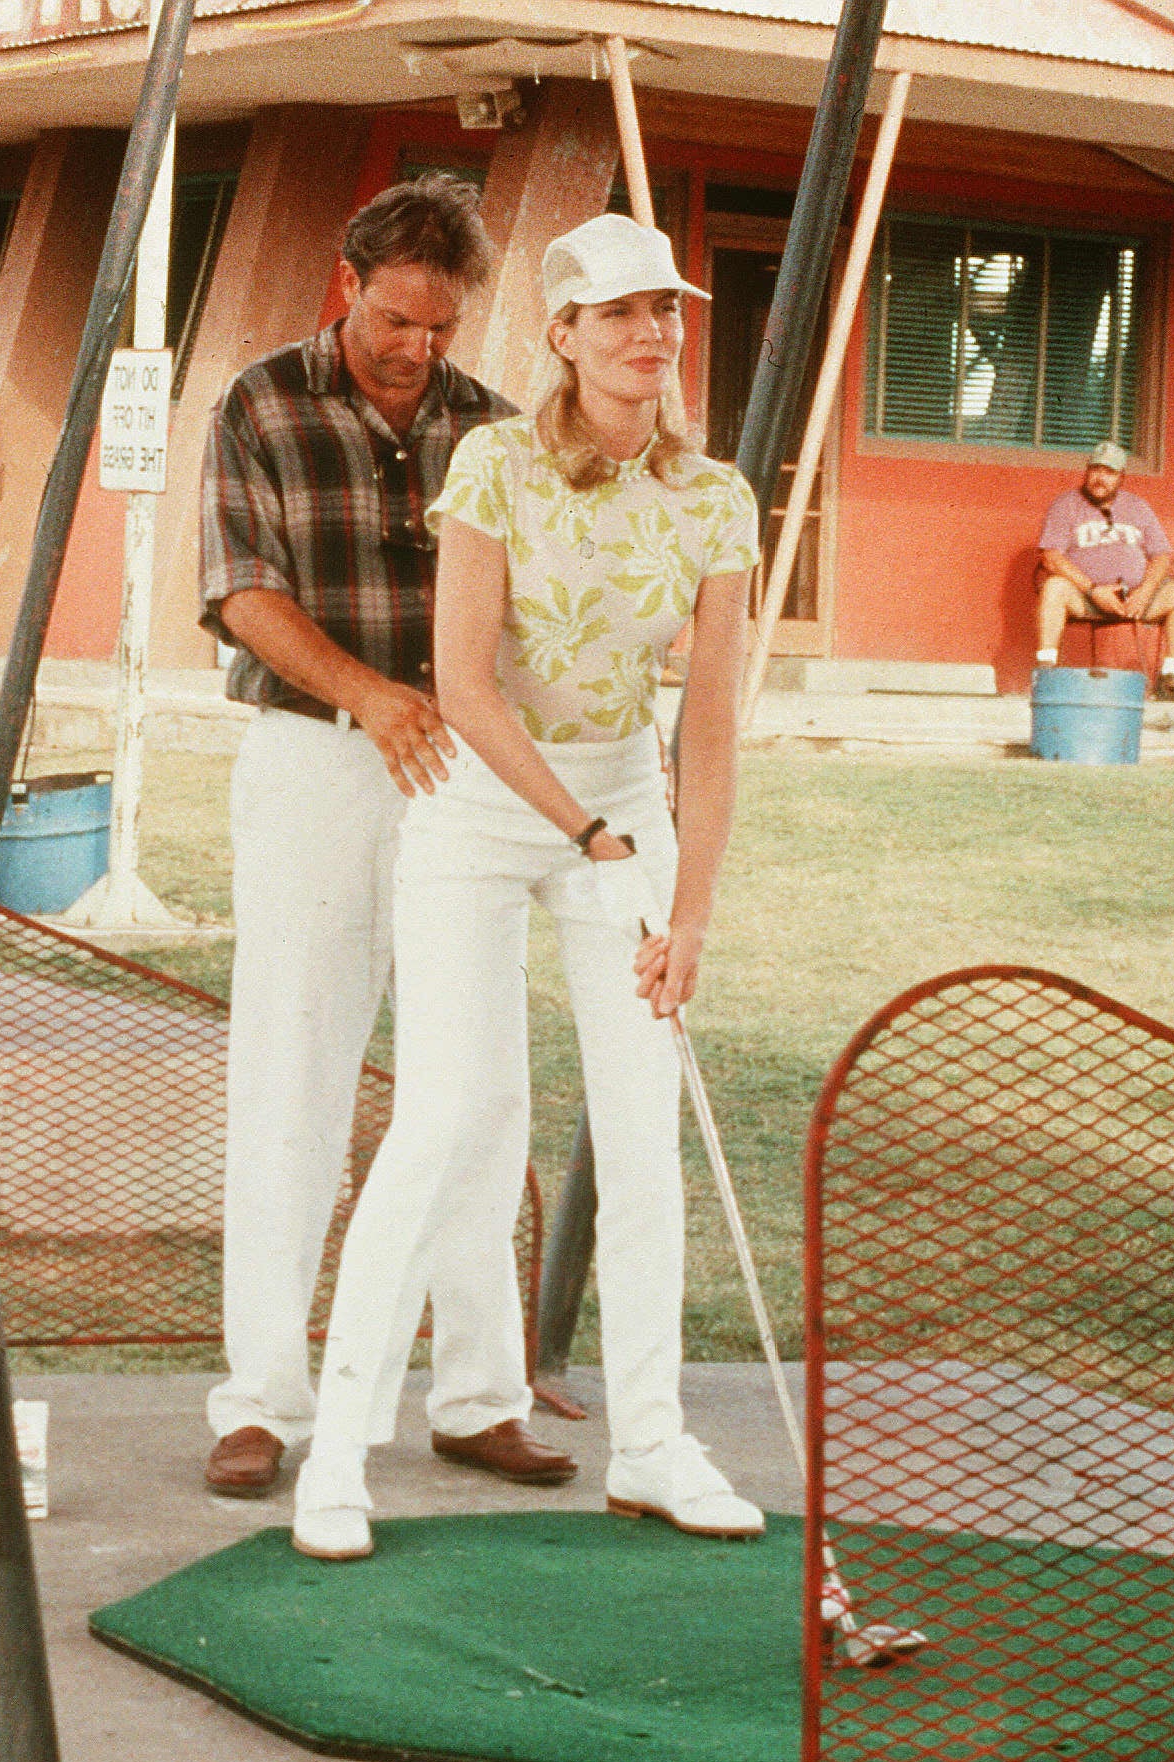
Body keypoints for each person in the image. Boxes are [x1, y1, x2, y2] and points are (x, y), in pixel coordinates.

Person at [288, 212, 763, 1562]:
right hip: (484, 805)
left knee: (643, 1124)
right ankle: (340, 1448)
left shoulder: (715, 496)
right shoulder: (493, 465)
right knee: (449, 1112)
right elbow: (462, 688)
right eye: (618, 312)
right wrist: (589, 834)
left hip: (625, 802)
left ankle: (656, 1444)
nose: (650, 333)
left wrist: (690, 912)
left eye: (665, 309)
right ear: (562, 333)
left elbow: (713, 729)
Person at [196, 174, 565, 1500]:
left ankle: (477, 1394)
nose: (417, 347)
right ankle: (261, 1402)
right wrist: (372, 692)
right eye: (398, 318)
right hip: (316, 760)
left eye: (442, 328)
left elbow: (536, 620)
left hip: (463, 773)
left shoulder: (499, 432)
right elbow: (242, 593)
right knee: (294, 1066)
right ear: (348, 284)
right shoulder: (260, 402)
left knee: (474, 1082)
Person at [1036, 443, 1174, 696]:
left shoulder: (1138, 507)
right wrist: (1092, 590)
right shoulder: (1066, 504)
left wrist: (1144, 591)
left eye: (1109, 472)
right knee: (1054, 586)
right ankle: (1046, 670)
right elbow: (1051, 557)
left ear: (1121, 477)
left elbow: (1161, 556)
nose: (1100, 478)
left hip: (1135, 598)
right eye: (1095, 470)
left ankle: (1171, 677)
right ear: (1087, 471)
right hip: (1086, 597)